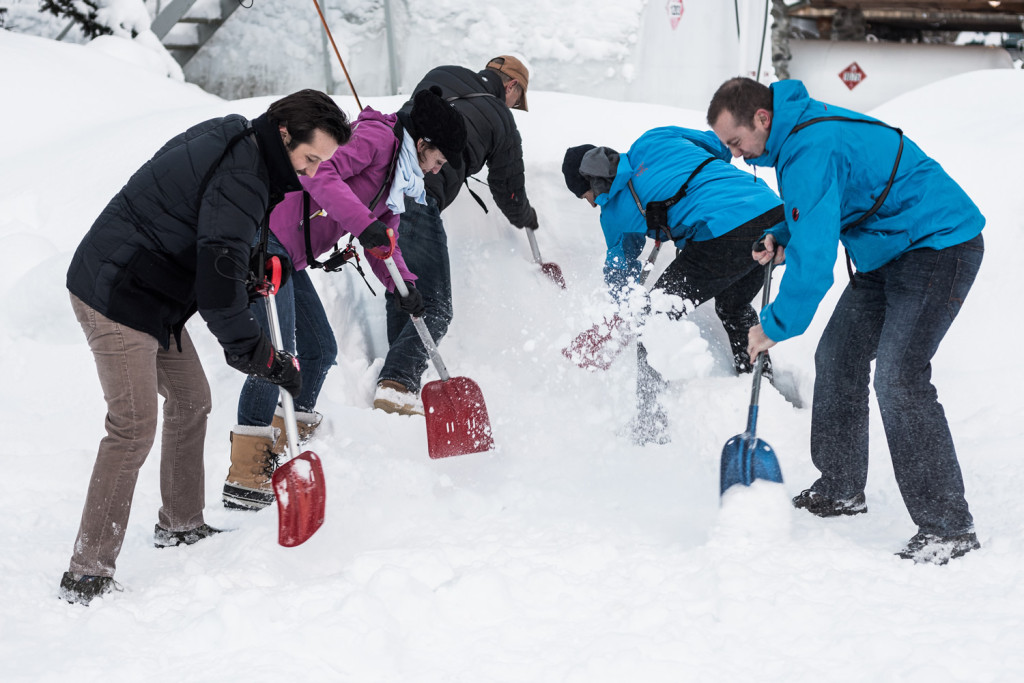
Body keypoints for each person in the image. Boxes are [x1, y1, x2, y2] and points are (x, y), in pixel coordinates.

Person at [61, 90, 350, 604]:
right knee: (132, 428)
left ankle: (180, 524)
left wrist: (251, 270)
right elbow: (217, 285)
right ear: (285, 133)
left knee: (192, 399)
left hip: (155, 294)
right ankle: (87, 571)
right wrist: (262, 358)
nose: (310, 173)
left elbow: (215, 237)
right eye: (310, 159)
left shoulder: (247, 148)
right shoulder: (245, 169)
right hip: (116, 290)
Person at [707, 77, 984, 564]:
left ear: (762, 119)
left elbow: (816, 263)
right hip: (886, 252)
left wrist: (772, 324)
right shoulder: (799, 138)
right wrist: (782, 233)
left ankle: (948, 527)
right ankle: (840, 488)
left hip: (937, 246)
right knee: (837, 358)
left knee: (899, 377)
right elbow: (819, 212)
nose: (737, 154)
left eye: (736, 141)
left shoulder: (809, 145)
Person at [223, 87, 467, 510]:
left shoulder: (395, 175)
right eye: (437, 161)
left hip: (290, 256)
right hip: (264, 241)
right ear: (423, 144)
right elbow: (320, 175)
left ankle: (283, 448)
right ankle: (247, 474)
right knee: (276, 355)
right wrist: (365, 223)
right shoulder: (377, 139)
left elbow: (382, 242)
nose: (433, 171)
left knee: (320, 351)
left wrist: (405, 288)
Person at [561, 127, 784, 445]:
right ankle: (761, 384)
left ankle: (650, 426)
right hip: (773, 213)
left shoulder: (614, 214)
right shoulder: (655, 140)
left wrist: (628, 312)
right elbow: (720, 147)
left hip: (727, 231)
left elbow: (620, 272)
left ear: (592, 184)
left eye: (586, 197)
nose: (591, 205)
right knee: (733, 304)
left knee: (652, 321)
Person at [372, 55, 539, 415]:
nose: (513, 105)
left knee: (405, 289)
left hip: (378, 192)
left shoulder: (440, 73)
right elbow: (508, 189)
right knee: (436, 306)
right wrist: (528, 217)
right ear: (510, 86)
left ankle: (394, 389)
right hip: (417, 198)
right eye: (517, 98)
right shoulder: (500, 118)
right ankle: (398, 381)